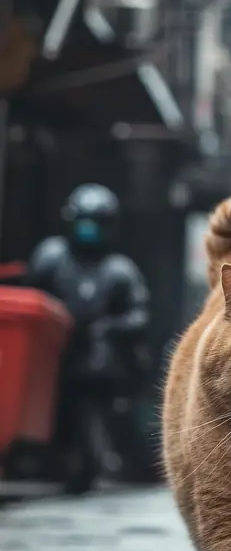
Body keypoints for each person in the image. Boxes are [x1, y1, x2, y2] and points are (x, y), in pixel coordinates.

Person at [29, 184, 151, 492]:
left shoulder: (120, 270)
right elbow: (32, 299)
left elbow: (139, 315)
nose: (88, 232)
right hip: (52, 354)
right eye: (84, 223)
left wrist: (109, 328)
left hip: (97, 363)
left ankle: (104, 454)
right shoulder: (51, 256)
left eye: (95, 224)